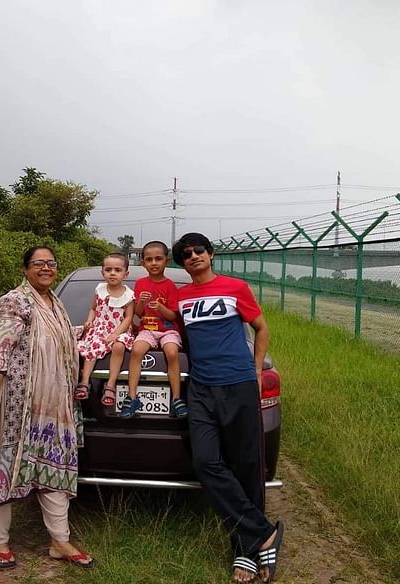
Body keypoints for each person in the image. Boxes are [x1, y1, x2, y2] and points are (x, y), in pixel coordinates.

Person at [0, 246, 94, 570]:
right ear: (25, 269)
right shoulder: (14, 301)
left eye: (51, 263)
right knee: (2, 468)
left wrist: (87, 330)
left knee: (56, 468)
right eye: (38, 263)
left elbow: (57, 337)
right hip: (14, 404)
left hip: (53, 407)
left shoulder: (57, 304)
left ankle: (59, 541)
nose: (46, 268)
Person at [172, 233, 284, 584]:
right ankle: (264, 532)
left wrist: (254, 369)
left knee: (246, 466)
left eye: (199, 250)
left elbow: (261, 328)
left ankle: (245, 554)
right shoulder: (181, 297)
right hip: (202, 388)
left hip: (238, 385)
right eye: (186, 254)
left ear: (211, 254)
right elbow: (174, 333)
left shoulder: (236, 287)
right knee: (206, 462)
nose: (193, 256)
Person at [119, 240, 187, 419]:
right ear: (143, 263)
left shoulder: (170, 286)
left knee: (172, 353)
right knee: (136, 350)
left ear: (167, 261)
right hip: (147, 330)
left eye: (158, 259)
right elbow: (138, 315)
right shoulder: (141, 283)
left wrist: (160, 308)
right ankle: (132, 396)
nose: (154, 263)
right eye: (149, 259)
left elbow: (173, 316)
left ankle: (176, 399)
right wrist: (141, 301)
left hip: (168, 330)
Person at [75, 253, 135, 406]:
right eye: (108, 270)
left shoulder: (129, 295)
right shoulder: (99, 290)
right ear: (102, 273)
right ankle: (84, 382)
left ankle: (110, 384)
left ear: (125, 274)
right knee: (92, 345)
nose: (112, 273)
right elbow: (93, 309)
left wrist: (116, 334)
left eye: (117, 270)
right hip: (100, 328)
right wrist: (89, 320)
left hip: (119, 329)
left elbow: (128, 318)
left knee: (119, 346)